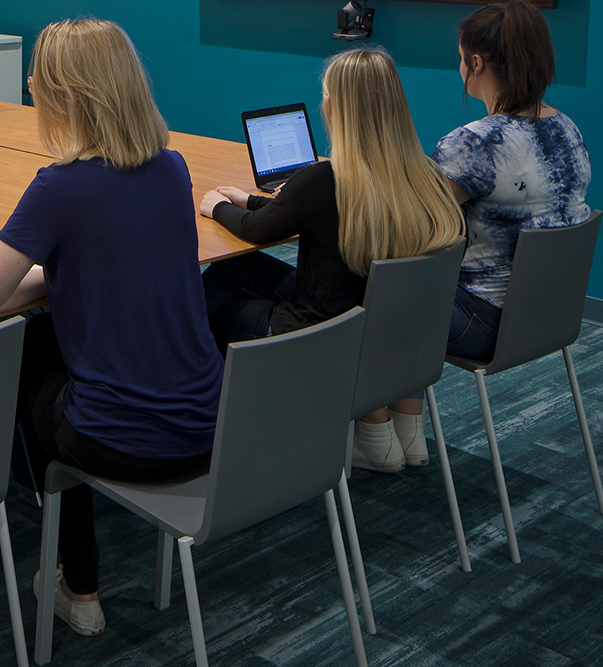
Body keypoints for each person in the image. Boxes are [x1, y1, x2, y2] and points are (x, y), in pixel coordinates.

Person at [0, 19, 221, 639]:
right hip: (211, 426)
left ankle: (77, 582)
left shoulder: (62, 185)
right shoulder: (173, 167)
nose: (28, 84)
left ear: (66, 93)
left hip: (119, 440)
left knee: (26, 353)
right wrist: (74, 273)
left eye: (38, 78)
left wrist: (57, 276)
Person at [198, 47, 464, 473]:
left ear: (336, 107)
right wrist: (249, 199)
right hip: (386, 328)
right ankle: (402, 435)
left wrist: (218, 207)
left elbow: (257, 230)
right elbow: (288, 215)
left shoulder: (323, 179)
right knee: (231, 268)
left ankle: (209, 429)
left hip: (317, 335)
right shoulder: (426, 175)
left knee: (214, 302)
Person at [434, 0, 592, 359]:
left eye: (462, 58)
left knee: (368, 298)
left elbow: (412, 219)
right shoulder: (567, 128)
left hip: (486, 322)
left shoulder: (473, 142)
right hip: (552, 315)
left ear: (476, 63)